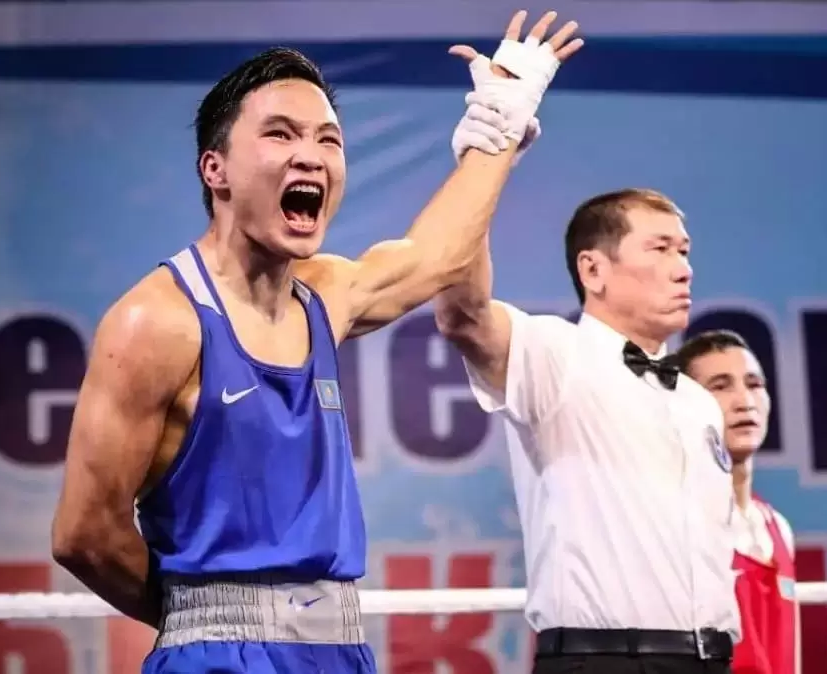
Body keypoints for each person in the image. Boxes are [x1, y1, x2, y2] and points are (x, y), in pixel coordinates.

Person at [49, 11, 583, 674]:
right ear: (215, 169)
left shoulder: (326, 294)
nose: (311, 155)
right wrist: (205, 621)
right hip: (217, 657)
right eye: (281, 134)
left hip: (338, 649)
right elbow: (85, 534)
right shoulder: (156, 321)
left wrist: (498, 120)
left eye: (328, 139)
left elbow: (438, 256)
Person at [433, 188, 740, 674]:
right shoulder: (557, 355)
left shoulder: (698, 402)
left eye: (684, 252)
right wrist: (485, 163)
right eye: (660, 249)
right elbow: (464, 315)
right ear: (593, 270)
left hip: (709, 660)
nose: (684, 270)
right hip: (602, 661)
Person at [674, 330, 798, 674]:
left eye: (754, 384)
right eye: (720, 386)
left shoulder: (779, 528)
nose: (744, 401)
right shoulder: (679, 523)